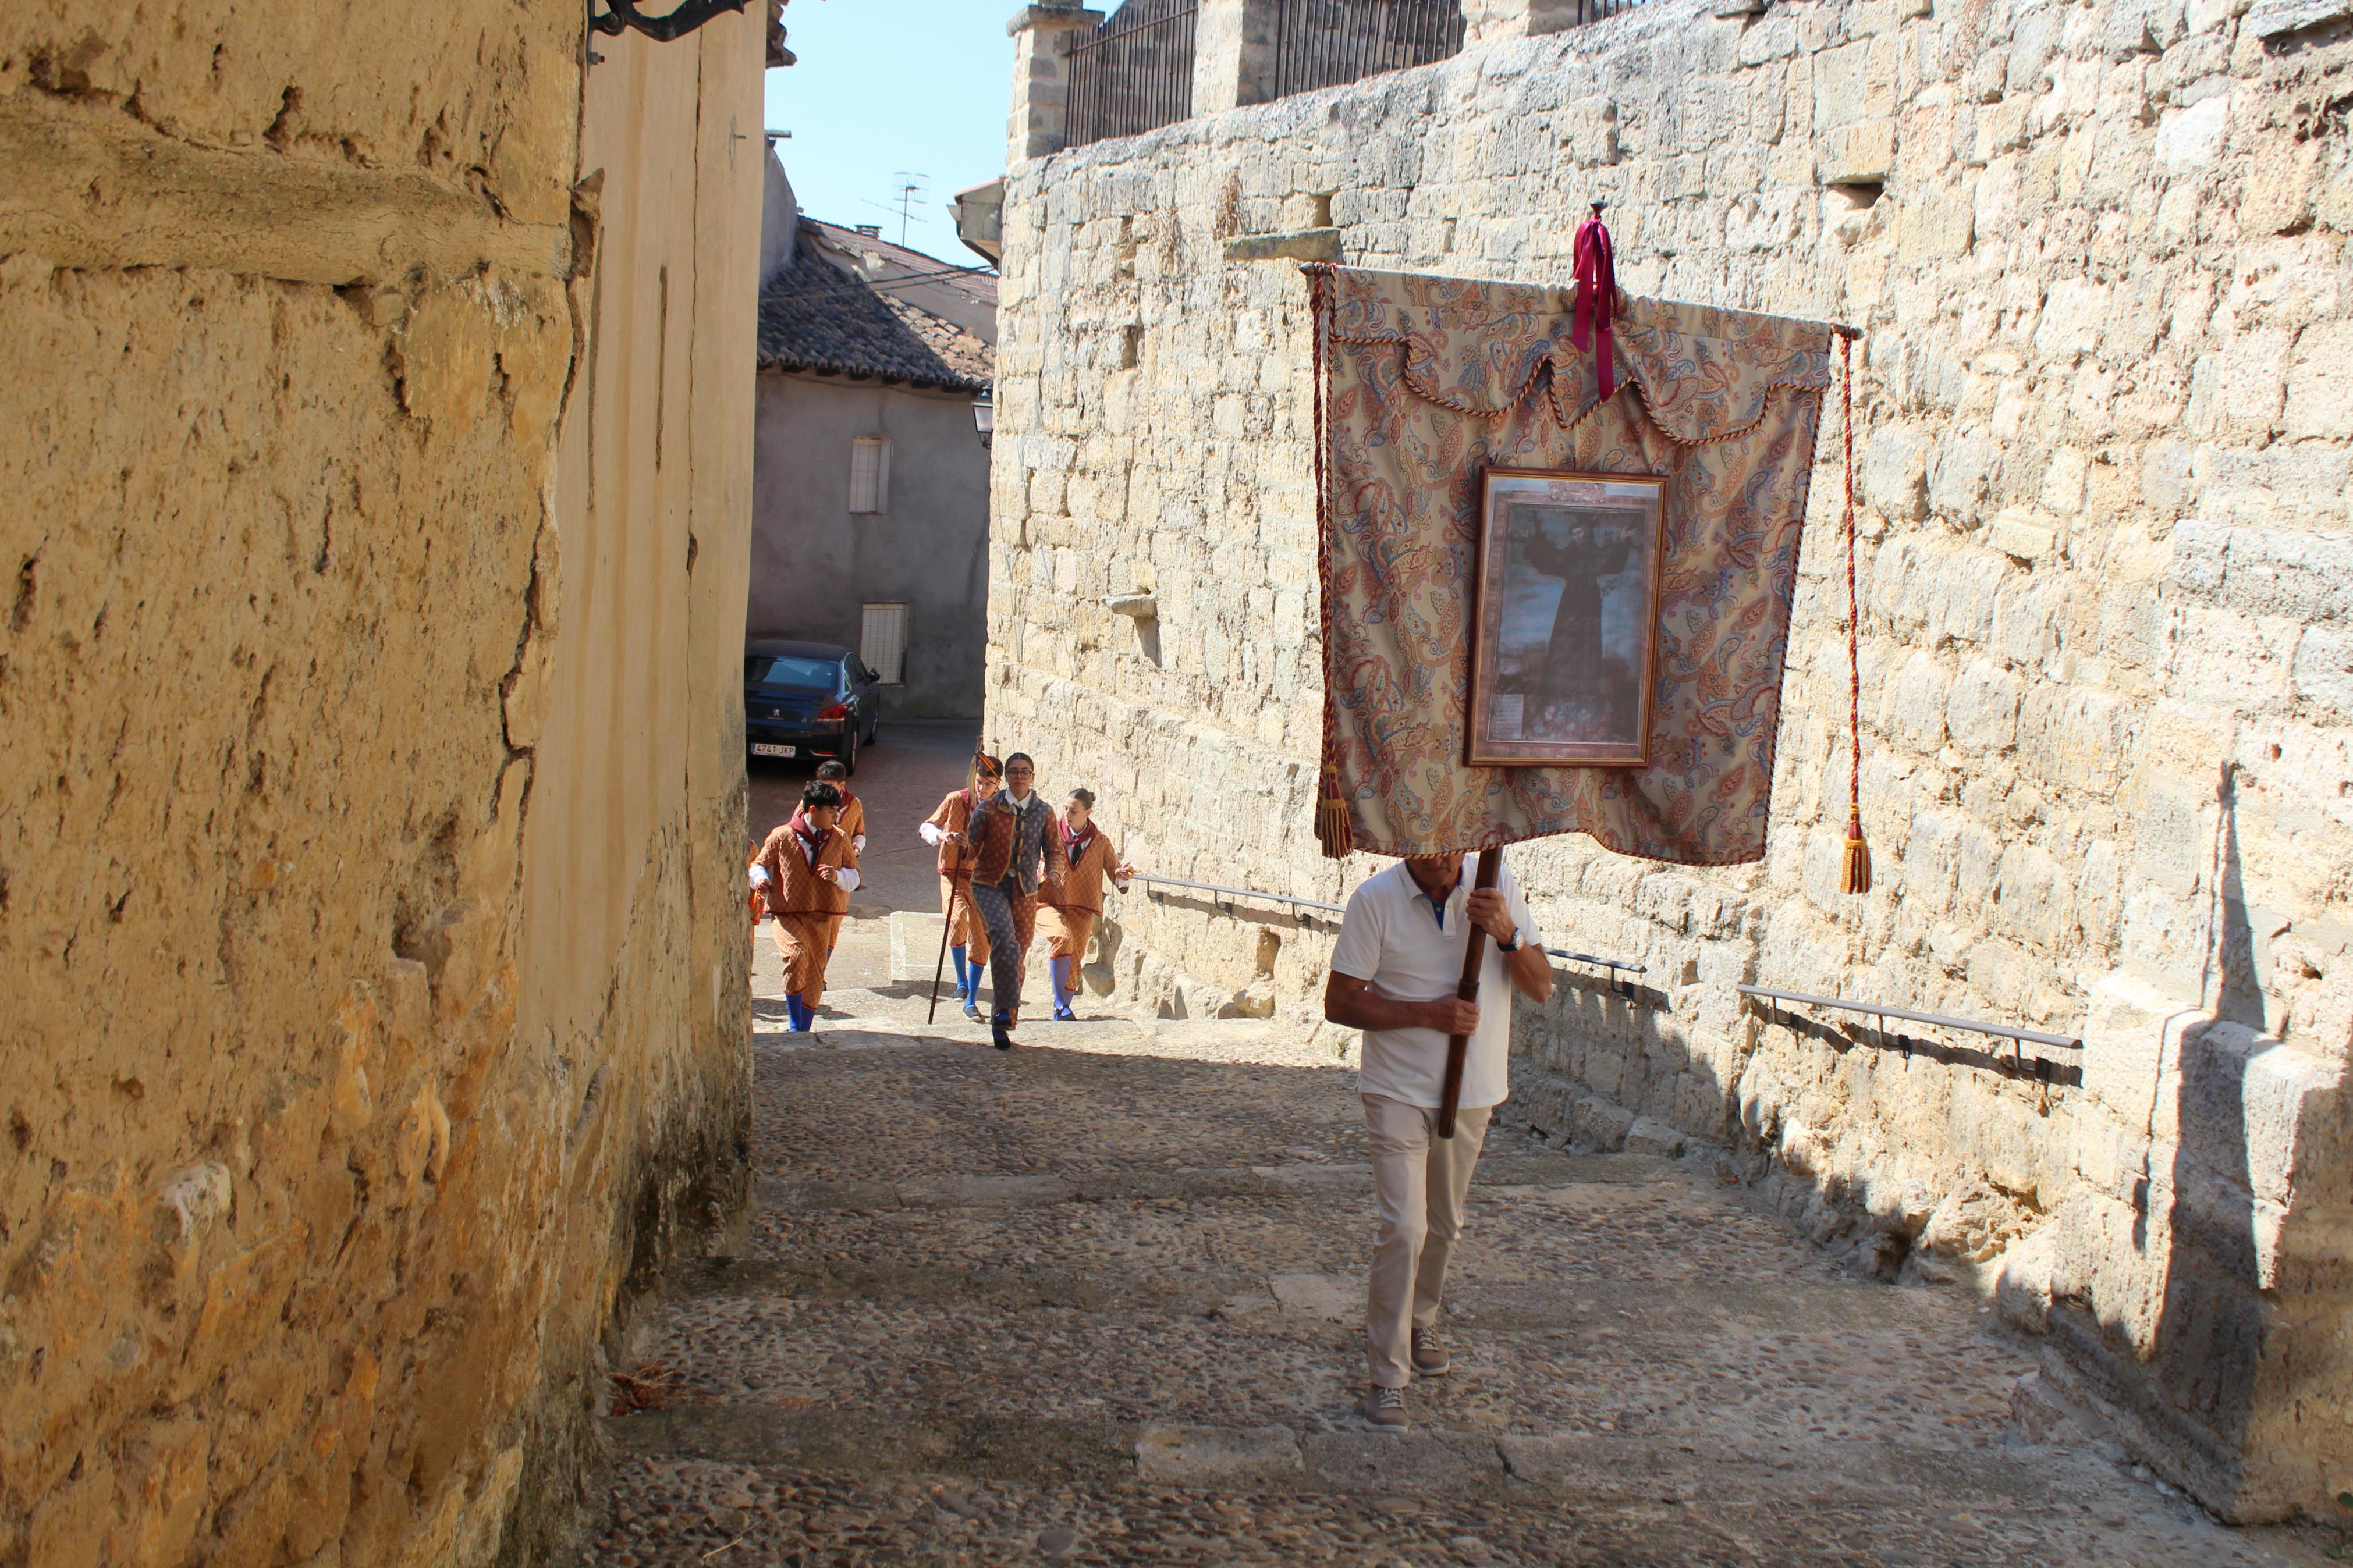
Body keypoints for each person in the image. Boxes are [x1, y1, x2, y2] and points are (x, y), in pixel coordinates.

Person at [1323, 850, 1552, 1432]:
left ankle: (1420, 1317)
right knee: (1404, 1227)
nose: (1440, 857)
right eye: (1425, 844)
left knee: (1444, 1224)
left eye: (1450, 843)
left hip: (1471, 1089)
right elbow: (1340, 1001)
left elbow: (1541, 985)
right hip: (1395, 1089)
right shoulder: (1374, 900)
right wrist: (1429, 1014)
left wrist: (1505, 932)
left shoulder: (1495, 885)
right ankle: (1387, 1375)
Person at [964, 753, 1066, 1051]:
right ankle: (1003, 1013)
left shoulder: (1044, 812)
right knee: (1004, 938)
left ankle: (1004, 1018)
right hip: (989, 885)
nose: (1019, 777)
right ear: (1006, 777)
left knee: (1017, 954)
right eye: (1014, 772)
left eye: (1025, 772)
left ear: (1033, 777)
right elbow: (970, 850)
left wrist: (1055, 872)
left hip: (1025, 890)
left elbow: (1055, 850)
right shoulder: (987, 809)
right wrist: (961, 845)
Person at [748, 781, 861, 1033]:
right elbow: (758, 863)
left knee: (815, 973)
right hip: (787, 913)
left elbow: (855, 877)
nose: (836, 816)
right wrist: (761, 879)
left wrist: (837, 876)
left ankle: (803, 1030)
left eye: (837, 810)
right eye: (831, 811)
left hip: (822, 915)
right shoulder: (782, 835)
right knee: (796, 956)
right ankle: (793, 1024)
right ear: (812, 810)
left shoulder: (840, 838)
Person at [1038, 788, 1135, 1021]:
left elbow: (1117, 877)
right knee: (1062, 937)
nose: (1067, 814)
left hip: (1082, 908)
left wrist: (1124, 874)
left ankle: (1061, 1012)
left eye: (1073, 811)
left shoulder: (1100, 842)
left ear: (1087, 813)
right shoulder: (1050, 835)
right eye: (1065, 809)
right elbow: (1034, 861)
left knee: (1075, 961)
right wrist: (1040, 870)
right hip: (1048, 902)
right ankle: (1060, 1003)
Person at [920, 751, 1002, 1021]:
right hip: (952, 874)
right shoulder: (955, 800)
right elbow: (926, 827)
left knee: (981, 940)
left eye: (988, 784)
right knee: (956, 921)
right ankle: (960, 980)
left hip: (982, 881)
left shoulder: (1000, 811)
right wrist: (944, 836)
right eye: (978, 781)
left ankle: (971, 1000)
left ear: (997, 785)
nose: (981, 788)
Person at [813, 759, 866, 958]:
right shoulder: (810, 803)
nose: (824, 790)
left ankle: (821, 968)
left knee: (833, 922)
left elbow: (860, 833)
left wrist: (857, 846)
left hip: (842, 871)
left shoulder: (855, 804)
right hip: (815, 868)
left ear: (841, 785)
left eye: (830, 786)